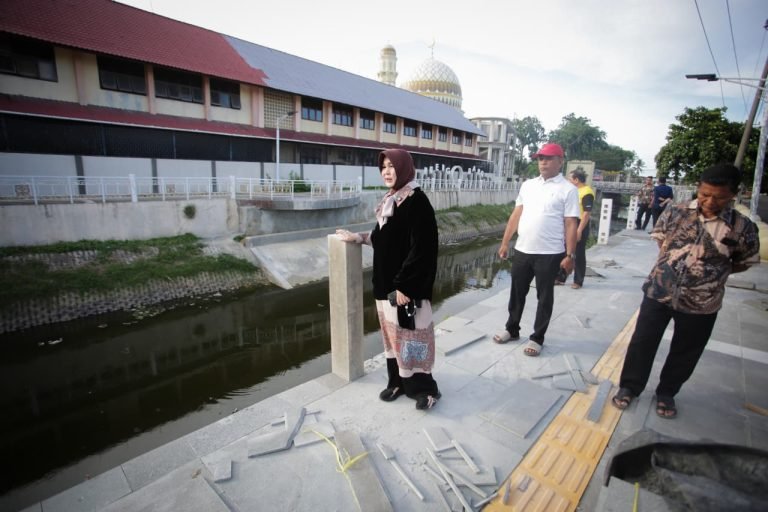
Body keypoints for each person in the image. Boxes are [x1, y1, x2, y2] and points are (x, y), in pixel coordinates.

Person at [612, 163, 760, 419]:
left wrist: (708, 275)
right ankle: (630, 386)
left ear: (734, 194)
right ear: (698, 189)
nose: (710, 201)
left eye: (719, 196)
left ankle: (667, 392)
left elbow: (743, 262)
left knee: (686, 350)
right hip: (659, 292)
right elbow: (661, 242)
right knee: (642, 341)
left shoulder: (742, 227)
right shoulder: (677, 211)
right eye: (704, 194)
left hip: (702, 302)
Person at [335, 149, 441, 410]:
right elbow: (381, 237)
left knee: (413, 339)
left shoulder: (417, 201)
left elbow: (424, 248)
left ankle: (425, 389)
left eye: (392, 166)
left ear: (404, 168)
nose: (386, 171)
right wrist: (358, 237)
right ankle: (398, 382)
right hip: (385, 287)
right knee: (393, 340)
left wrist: (405, 285)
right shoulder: (392, 200)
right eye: (383, 167)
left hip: (406, 290)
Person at [492, 142, 580, 356]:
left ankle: (537, 338)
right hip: (523, 250)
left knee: (544, 297)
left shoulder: (568, 190)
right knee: (516, 293)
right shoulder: (528, 185)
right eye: (540, 158)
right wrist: (505, 242)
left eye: (548, 158)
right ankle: (511, 329)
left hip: (550, 254)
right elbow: (516, 214)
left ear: (560, 161)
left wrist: (570, 255)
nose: (543, 162)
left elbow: (571, 224)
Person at [555, 168, 594, 289]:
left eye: (570, 179)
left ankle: (578, 280)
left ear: (576, 180)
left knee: (579, 254)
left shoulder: (587, 192)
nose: (568, 181)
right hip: (569, 222)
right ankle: (561, 278)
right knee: (565, 252)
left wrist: (579, 230)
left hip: (580, 223)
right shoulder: (573, 191)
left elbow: (586, 214)